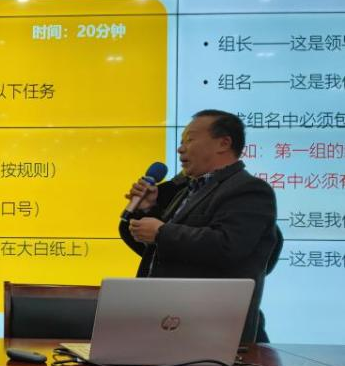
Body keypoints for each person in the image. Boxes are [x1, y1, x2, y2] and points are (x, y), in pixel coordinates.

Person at [118, 109, 278, 344]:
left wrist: (161, 232)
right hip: (166, 319)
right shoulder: (186, 189)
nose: (180, 149)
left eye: (190, 140)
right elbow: (162, 253)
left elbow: (228, 245)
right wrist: (147, 210)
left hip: (211, 329)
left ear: (223, 143)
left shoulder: (249, 190)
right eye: (181, 142)